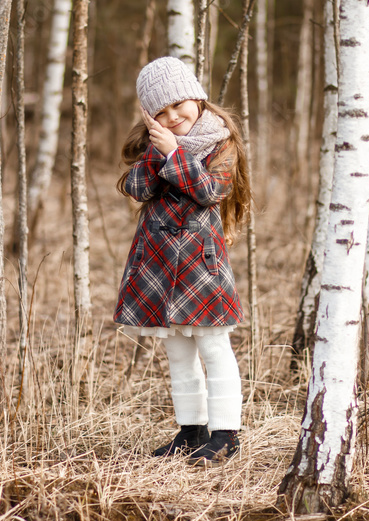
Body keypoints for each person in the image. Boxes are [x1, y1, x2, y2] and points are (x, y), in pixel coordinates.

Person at [115, 56, 252, 465]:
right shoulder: (153, 146)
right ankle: (191, 431)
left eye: (179, 105)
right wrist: (159, 151)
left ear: (197, 97)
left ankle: (226, 434)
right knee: (177, 350)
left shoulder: (221, 141)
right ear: (149, 116)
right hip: (157, 262)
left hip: (200, 264)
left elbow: (209, 191)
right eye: (161, 112)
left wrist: (175, 153)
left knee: (213, 345)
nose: (174, 117)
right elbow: (138, 188)